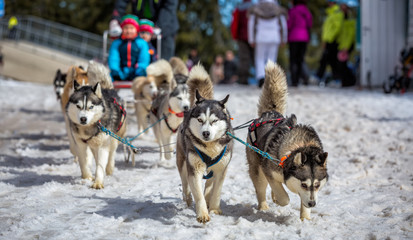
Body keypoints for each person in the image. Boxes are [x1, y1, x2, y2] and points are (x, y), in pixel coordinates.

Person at [110, 0, 179, 61]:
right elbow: (121, 2)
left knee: (164, 61)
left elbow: (169, 6)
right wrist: (116, 20)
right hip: (141, 27)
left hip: (165, 29)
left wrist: (159, 26)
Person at [248, 0, 288, 87]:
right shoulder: (278, 8)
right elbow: (283, 25)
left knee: (259, 58)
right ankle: (270, 78)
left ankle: (261, 77)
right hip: (274, 36)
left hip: (260, 36)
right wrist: (284, 39)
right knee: (272, 59)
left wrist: (251, 39)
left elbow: (251, 24)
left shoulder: (256, 8)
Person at [108, 14, 150, 81]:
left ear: (136, 29)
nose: (128, 31)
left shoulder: (142, 43)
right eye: (126, 28)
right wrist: (115, 70)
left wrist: (141, 69)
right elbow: (114, 58)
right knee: (110, 78)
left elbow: (144, 58)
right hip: (121, 71)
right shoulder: (117, 43)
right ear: (122, 29)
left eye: (131, 28)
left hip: (137, 72)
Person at [315, 0, 344, 85]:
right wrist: (325, 39)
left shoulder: (337, 12)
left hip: (333, 41)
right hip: (328, 40)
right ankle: (334, 78)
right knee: (329, 60)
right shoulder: (330, 13)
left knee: (330, 60)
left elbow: (337, 28)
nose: (329, 4)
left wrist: (329, 39)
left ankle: (333, 78)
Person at [287, 0, 312, 87]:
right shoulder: (307, 11)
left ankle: (295, 81)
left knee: (293, 60)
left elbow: (289, 24)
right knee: (301, 59)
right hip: (304, 37)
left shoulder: (292, 11)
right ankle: (305, 78)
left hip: (293, 37)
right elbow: (309, 24)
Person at [231, 0, 254, 85]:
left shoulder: (239, 8)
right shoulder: (254, 7)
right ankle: (261, 78)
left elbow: (235, 23)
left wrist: (235, 36)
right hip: (254, 37)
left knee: (244, 59)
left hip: (242, 36)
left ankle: (243, 79)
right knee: (256, 59)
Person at [336, 1, 356, 87]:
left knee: (343, 65)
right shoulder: (340, 16)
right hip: (342, 44)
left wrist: (346, 47)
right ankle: (345, 82)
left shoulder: (350, 18)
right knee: (341, 65)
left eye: (344, 6)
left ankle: (349, 81)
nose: (342, 7)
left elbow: (350, 34)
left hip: (347, 44)